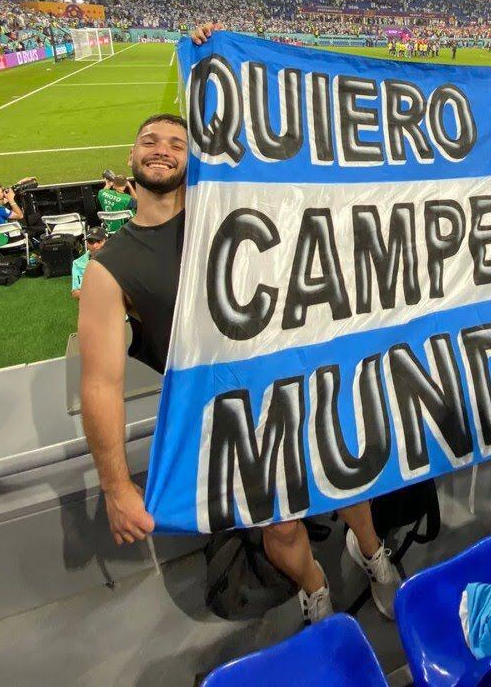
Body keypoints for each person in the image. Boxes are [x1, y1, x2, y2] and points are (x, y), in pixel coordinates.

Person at [79, 91, 399, 626]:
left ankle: (370, 554)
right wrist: (115, 487)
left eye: (178, 143)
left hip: (301, 376)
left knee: (351, 482)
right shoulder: (110, 268)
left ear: (194, 157)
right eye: (150, 141)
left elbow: (296, 141)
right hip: (231, 417)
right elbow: (100, 383)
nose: (163, 150)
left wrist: (224, 63)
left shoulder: (235, 208)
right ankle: (315, 588)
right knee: (280, 527)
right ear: (132, 157)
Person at [71, 227, 106, 299]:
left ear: (107, 241)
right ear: (86, 243)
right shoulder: (78, 263)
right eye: (91, 242)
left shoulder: (118, 258)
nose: (95, 246)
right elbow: (75, 292)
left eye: (99, 241)